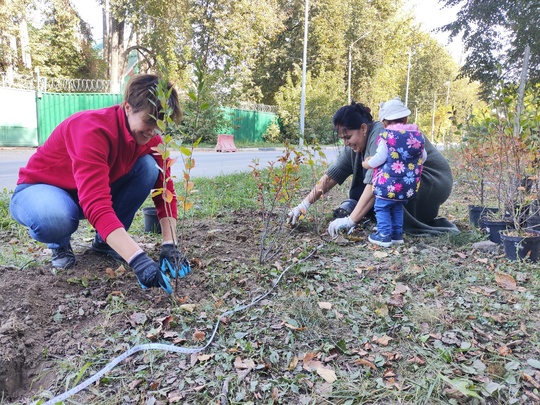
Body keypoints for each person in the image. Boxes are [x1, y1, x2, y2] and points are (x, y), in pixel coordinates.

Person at [9, 73, 189, 294]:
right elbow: (96, 204)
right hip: (41, 190)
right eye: (149, 121)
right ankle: (60, 245)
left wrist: (170, 243)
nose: (154, 130)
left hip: (84, 193)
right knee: (53, 216)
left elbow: (165, 190)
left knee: (149, 168)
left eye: (161, 124)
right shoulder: (91, 130)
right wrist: (138, 259)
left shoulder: (151, 139)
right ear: (128, 107)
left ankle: (106, 242)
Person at [288, 98, 458, 237]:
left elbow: (377, 183)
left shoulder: (380, 134)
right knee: (372, 191)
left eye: (348, 137)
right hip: (411, 177)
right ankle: (369, 213)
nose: (346, 143)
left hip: (433, 180)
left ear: (363, 128)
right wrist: (304, 205)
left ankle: (386, 223)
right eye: (343, 139)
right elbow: (331, 176)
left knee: (383, 183)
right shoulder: (355, 145)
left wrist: (351, 221)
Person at [361, 98, 427, 247]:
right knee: (397, 208)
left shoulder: (387, 137)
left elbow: (380, 158)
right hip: (407, 185)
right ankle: (397, 235)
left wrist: (367, 163)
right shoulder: (417, 136)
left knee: (381, 207)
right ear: (406, 118)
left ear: (384, 122)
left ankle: (384, 235)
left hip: (388, 185)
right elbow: (423, 157)